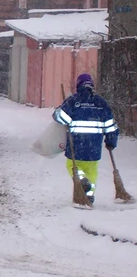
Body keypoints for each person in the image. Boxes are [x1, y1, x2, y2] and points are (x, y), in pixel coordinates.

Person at [53, 73, 119, 206]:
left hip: (77, 144)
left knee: (72, 166)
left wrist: (57, 112)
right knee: (92, 171)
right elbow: (111, 126)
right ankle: (89, 196)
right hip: (94, 147)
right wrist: (111, 141)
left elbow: (62, 118)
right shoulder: (101, 102)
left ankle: (82, 181)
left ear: (78, 85)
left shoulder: (73, 101)